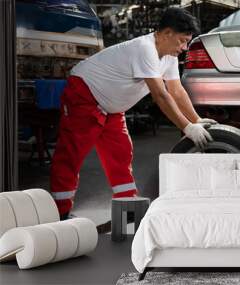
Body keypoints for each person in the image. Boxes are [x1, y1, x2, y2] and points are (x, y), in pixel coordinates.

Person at [50, 8, 216, 219]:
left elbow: (176, 91)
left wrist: (197, 120)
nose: (184, 48)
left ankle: (128, 214)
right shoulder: (144, 49)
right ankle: (59, 214)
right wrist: (187, 127)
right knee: (72, 154)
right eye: (182, 41)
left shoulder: (169, 56)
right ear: (166, 33)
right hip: (83, 95)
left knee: (120, 155)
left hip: (113, 108)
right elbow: (160, 94)